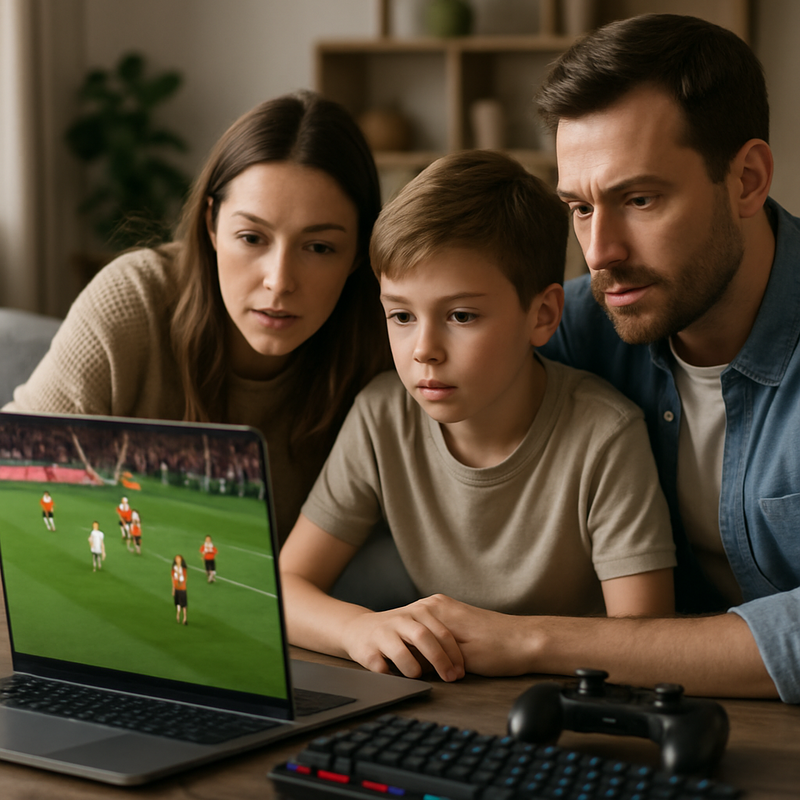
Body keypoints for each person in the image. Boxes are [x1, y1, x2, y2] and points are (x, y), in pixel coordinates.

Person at [415, 13, 796, 702]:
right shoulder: (578, 324)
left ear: (746, 180)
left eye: (639, 199)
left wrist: (534, 640)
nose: (600, 254)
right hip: (644, 722)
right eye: (581, 209)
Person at [279, 150, 677, 682]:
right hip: (436, 695)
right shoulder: (381, 417)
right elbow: (283, 586)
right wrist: (359, 630)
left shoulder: (604, 435)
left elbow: (649, 640)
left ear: (542, 316)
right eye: (400, 315)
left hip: (561, 698)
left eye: (461, 316)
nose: (424, 349)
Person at [3, 91, 390, 544]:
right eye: (251, 237)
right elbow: (16, 476)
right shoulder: (134, 298)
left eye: (319, 247)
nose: (279, 281)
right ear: (212, 223)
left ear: (359, 252)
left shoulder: (387, 342)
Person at [171, 555, 188, 625]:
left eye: (179, 559)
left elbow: (183, 579)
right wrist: (173, 588)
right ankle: (178, 615)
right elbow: (173, 579)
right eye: (176, 559)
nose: (177, 560)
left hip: (182, 588)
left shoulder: (183, 569)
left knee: (184, 604)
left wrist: (178, 574)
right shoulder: (173, 568)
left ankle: (185, 618)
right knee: (177, 602)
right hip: (177, 588)